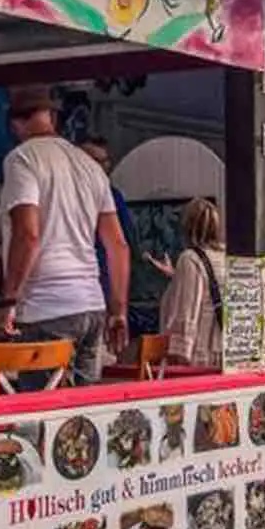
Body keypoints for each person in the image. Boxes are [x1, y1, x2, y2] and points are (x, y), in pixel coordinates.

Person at [0, 87, 131, 384]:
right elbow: (117, 245)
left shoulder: (22, 159)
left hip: (45, 307)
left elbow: (28, 234)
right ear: (53, 117)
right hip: (91, 306)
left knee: (39, 416)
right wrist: (118, 311)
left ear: (15, 123)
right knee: (82, 417)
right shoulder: (90, 167)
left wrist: (8, 301)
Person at [153, 198, 227, 368]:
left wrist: (179, 355)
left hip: (200, 354)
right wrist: (176, 276)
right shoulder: (225, 257)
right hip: (222, 351)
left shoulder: (190, 259)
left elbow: (187, 311)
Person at [79, 136, 135, 308]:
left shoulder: (113, 197)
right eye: (95, 161)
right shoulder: (69, 196)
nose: (101, 167)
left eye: (104, 161)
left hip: (105, 286)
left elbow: (126, 241)